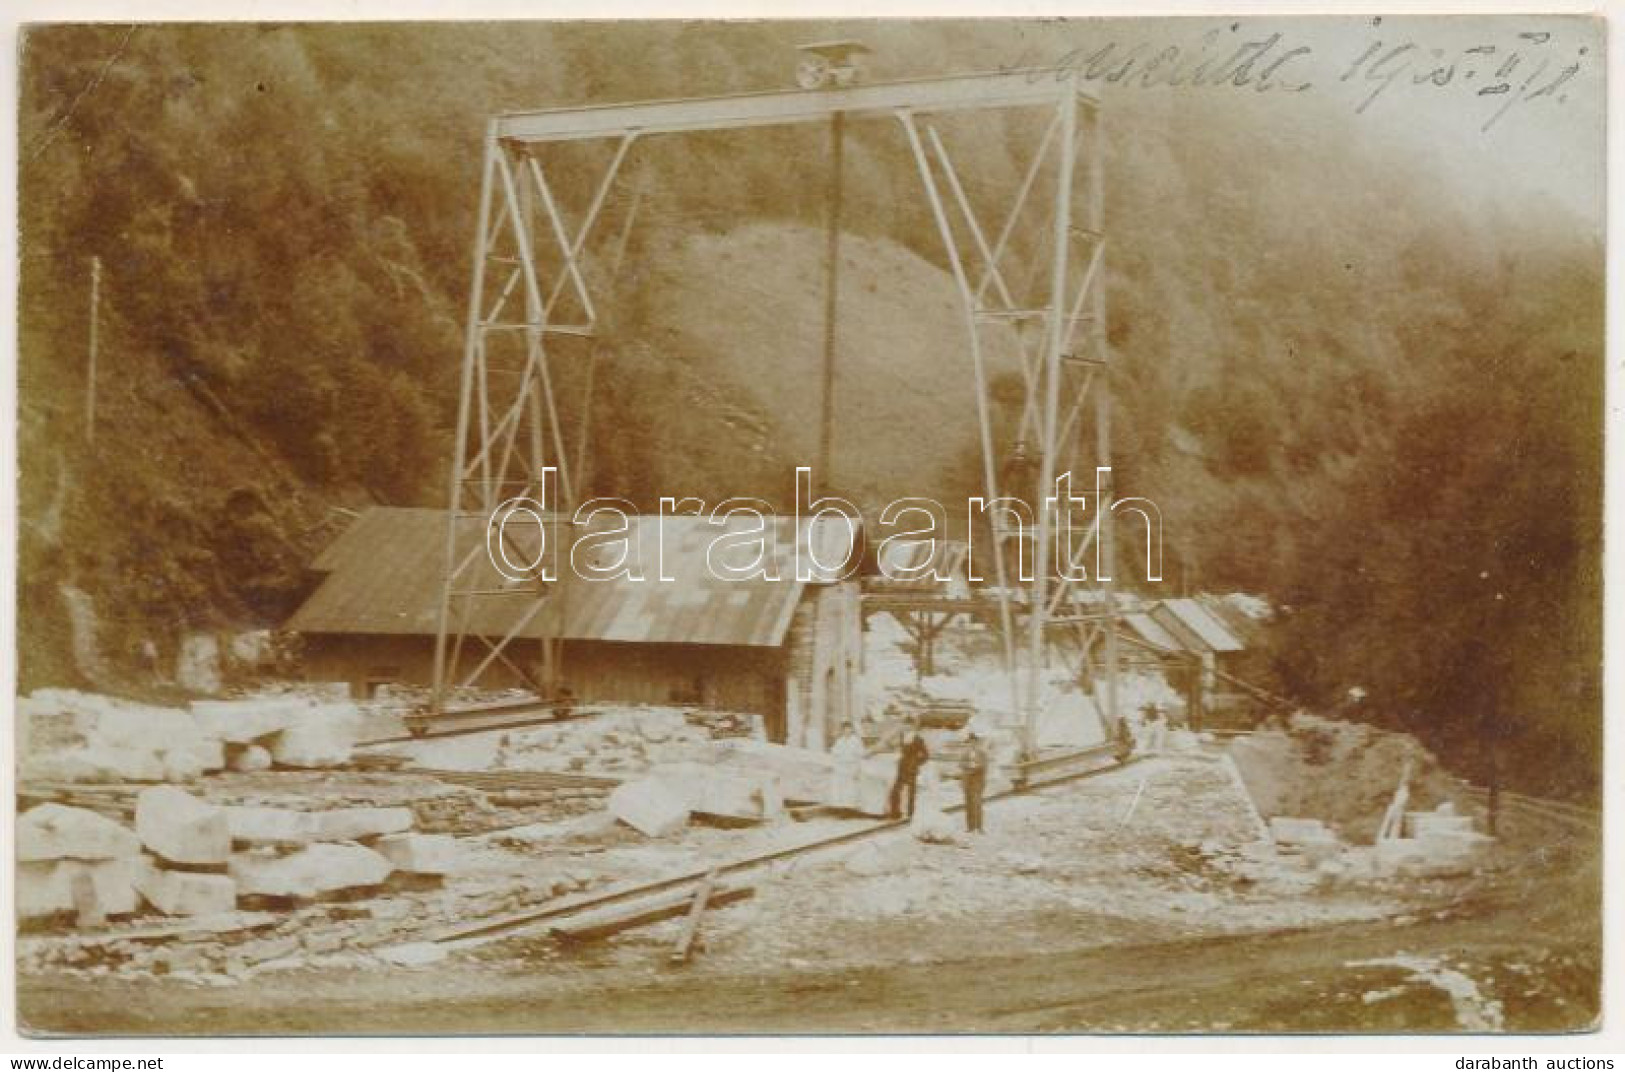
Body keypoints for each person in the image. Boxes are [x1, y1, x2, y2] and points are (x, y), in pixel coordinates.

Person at [888, 720, 930, 820]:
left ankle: (911, 814)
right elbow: (895, 746)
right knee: (895, 790)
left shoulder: (918, 739)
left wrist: (916, 762)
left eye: (910, 725)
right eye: (906, 725)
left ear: (913, 727)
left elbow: (926, 755)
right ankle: (895, 813)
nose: (908, 727)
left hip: (911, 768)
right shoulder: (903, 736)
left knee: (911, 793)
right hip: (902, 767)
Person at [828, 723, 865, 811]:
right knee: (840, 789)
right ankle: (841, 809)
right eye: (845, 729)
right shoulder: (839, 741)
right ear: (842, 730)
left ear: (852, 730)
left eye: (849, 729)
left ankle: (849, 809)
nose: (847, 731)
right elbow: (834, 754)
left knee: (850, 789)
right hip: (840, 768)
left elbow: (859, 757)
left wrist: (857, 770)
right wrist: (834, 765)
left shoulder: (856, 741)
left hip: (851, 767)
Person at [959, 729, 989, 834]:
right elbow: (961, 764)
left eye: (973, 742)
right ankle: (970, 827)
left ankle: (979, 827)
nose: (972, 744)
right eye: (970, 742)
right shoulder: (965, 753)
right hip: (967, 781)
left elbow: (982, 766)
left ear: (977, 742)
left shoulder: (982, 753)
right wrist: (970, 766)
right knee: (968, 804)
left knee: (977, 803)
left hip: (978, 781)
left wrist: (971, 767)